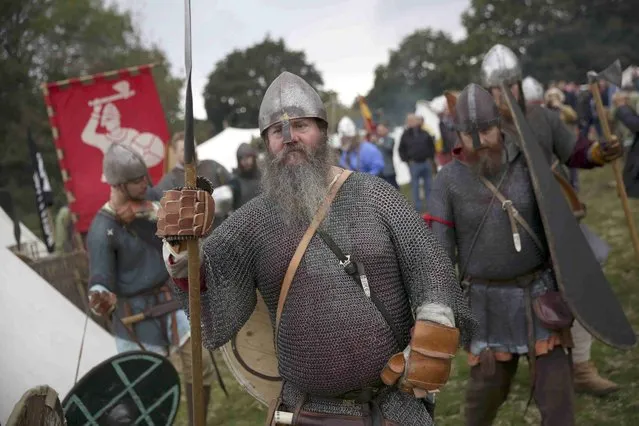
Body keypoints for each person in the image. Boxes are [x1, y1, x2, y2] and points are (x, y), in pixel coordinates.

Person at [156, 71, 475, 426]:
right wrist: (181, 248)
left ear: (323, 131)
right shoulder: (254, 222)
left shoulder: (376, 196)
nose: (290, 138)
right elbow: (207, 281)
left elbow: (428, 263)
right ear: (266, 143)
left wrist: (434, 320)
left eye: (301, 126)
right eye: (277, 131)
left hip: (392, 403)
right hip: (309, 409)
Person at [482, 44, 622, 399]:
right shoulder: (482, 129)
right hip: (513, 227)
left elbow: (574, 152)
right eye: (497, 90)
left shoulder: (542, 117)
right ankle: (541, 373)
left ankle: (582, 368)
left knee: (581, 282)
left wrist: (597, 152)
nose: (505, 95)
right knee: (530, 301)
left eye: (509, 87)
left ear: (517, 86)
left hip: (555, 218)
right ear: (488, 93)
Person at [86, 144, 214, 425]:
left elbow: (179, 210)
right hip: (136, 318)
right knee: (146, 391)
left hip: (174, 303)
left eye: (145, 177)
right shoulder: (101, 230)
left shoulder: (153, 200)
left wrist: (150, 212)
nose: (146, 183)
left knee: (200, 366)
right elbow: (100, 278)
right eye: (137, 180)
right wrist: (100, 297)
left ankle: (198, 423)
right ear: (118, 185)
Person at [147, 131, 233, 227]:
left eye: (193, 147)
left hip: (221, 228)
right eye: (184, 149)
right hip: (191, 236)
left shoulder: (212, 166)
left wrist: (225, 196)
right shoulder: (169, 180)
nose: (190, 151)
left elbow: (234, 186)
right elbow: (161, 209)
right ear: (175, 152)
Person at [398, 114, 436, 213]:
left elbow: (431, 146)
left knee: (429, 185)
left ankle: (431, 207)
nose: (412, 122)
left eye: (413, 120)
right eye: (409, 121)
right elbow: (401, 149)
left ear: (417, 121)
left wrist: (430, 158)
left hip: (426, 163)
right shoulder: (405, 135)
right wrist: (407, 160)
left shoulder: (425, 132)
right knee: (415, 187)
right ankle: (417, 209)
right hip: (414, 164)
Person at [229, 142, 262, 210]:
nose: (245, 161)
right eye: (242, 158)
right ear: (239, 161)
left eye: (248, 157)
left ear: (253, 157)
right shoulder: (235, 183)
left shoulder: (264, 176)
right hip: (245, 219)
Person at [375, 123, 398, 188]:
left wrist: (379, 143)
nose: (379, 132)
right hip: (380, 172)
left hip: (389, 170)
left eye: (381, 130)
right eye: (378, 130)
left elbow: (389, 148)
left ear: (386, 130)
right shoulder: (376, 141)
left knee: (393, 189)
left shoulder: (390, 139)